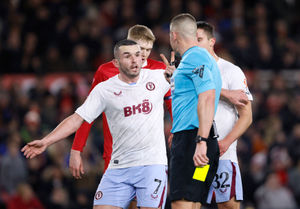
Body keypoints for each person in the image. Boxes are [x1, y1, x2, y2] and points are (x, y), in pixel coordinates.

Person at [22, 39, 174, 209]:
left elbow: (200, 89)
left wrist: (178, 78)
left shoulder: (159, 77)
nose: (134, 60)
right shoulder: (104, 90)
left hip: (151, 166)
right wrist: (46, 141)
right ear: (116, 63)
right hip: (118, 168)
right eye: (127, 56)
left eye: (138, 55)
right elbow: (76, 119)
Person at [70, 24, 172, 179]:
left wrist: (177, 130)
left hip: (149, 158)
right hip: (114, 155)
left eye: (148, 50)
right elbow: (87, 114)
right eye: (141, 49)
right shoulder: (105, 72)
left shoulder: (159, 70)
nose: (144, 54)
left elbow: (173, 104)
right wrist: (77, 149)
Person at [164, 13, 222, 209]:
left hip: (193, 143)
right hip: (202, 144)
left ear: (174, 35)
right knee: (194, 201)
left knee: (182, 202)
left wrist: (200, 141)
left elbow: (207, 97)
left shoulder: (195, 56)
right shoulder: (196, 59)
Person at [196, 21, 253, 209]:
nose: (195, 45)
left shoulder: (231, 71)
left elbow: (247, 116)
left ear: (211, 41)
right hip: (198, 153)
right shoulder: (189, 71)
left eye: (200, 39)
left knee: (227, 204)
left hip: (223, 152)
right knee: (192, 202)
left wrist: (226, 142)